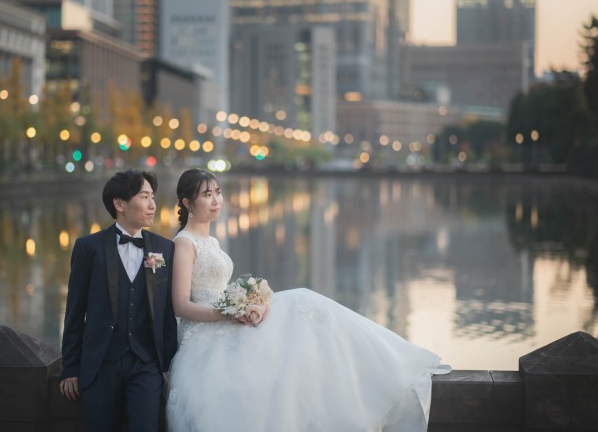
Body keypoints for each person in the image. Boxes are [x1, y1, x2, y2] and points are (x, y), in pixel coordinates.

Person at [166, 168, 451, 432]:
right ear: (188, 203)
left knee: (306, 310)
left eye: (217, 192)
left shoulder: (212, 242)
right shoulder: (184, 242)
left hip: (227, 319)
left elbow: (220, 289)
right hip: (206, 337)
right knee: (300, 304)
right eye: (207, 194)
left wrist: (248, 303)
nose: (216, 200)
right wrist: (230, 313)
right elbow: (181, 305)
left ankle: (389, 362)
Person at [59, 169, 178, 432]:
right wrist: (70, 368)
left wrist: (169, 364)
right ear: (119, 203)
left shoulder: (164, 248)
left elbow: (167, 314)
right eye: (144, 196)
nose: (152, 204)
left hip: (146, 365)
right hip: (100, 364)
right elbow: (75, 312)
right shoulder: (88, 248)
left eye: (153, 197)